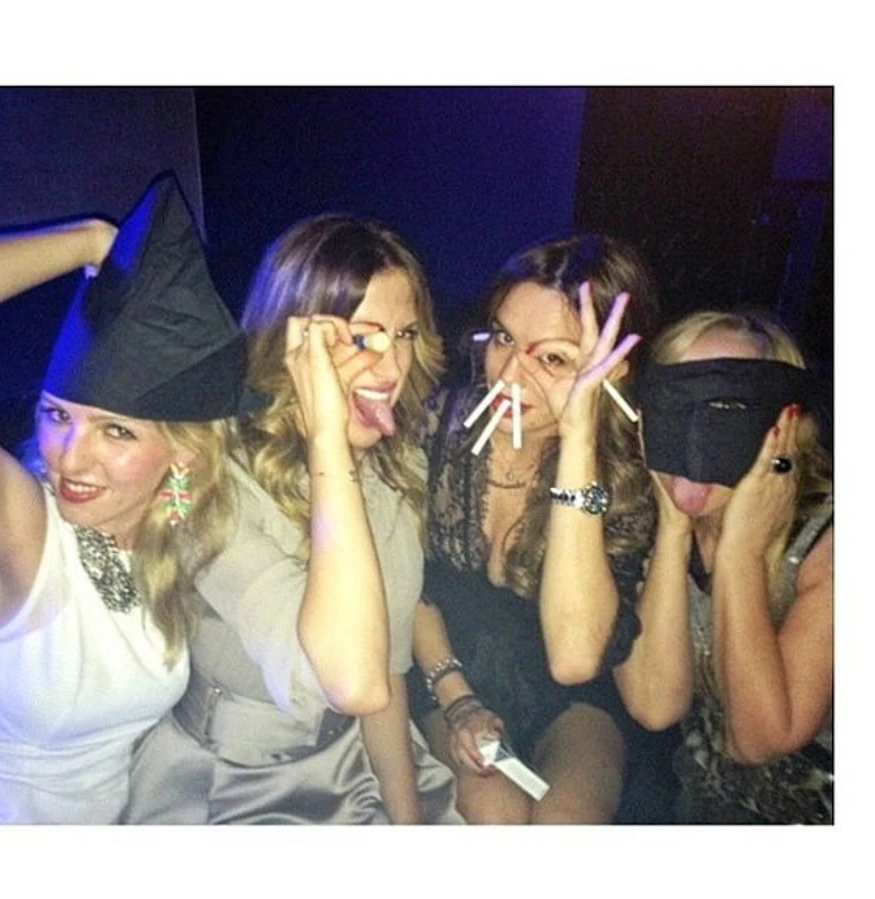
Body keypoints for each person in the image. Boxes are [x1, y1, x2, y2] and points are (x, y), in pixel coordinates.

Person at [123, 214, 463, 824]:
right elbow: (345, 677)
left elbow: (384, 674)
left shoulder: (397, 466)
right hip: (229, 783)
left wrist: (407, 821)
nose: (392, 369)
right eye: (362, 338)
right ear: (292, 342)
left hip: (352, 760)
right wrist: (326, 436)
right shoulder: (202, 476)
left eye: (404, 334)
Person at [0, 174, 268, 824]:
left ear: (183, 455)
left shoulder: (177, 528)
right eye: (56, 415)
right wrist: (87, 241)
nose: (69, 456)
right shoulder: (19, 525)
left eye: (116, 431)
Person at [406, 233, 660, 823]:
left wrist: (579, 439)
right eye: (503, 338)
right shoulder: (435, 427)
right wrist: (458, 700)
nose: (509, 374)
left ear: (611, 370)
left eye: (552, 359)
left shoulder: (627, 473)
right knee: (495, 818)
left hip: (567, 698)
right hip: (446, 668)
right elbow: (407, 586)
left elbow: (574, 661)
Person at [617, 309, 833, 824]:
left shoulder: (832, 542)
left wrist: (740, 553)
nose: (695, 433)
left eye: (727, 409)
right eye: (672, 404)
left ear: (784, 425)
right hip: (701, 811)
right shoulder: (653, 526)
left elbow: (759, 739)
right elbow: (654, 704)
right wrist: (672, 531)